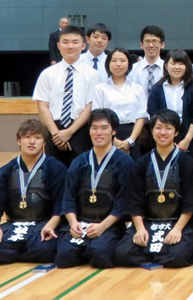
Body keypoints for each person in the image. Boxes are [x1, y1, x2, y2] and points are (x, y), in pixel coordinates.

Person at [0, 120, 67, 265]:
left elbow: (62, 204)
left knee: (48, 248)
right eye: (27, 137)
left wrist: (51, 225)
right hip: (16, 225)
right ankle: (23, 252)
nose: (32, 142)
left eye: (37, 138)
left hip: (44, 224)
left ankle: (15, 253)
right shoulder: (6, 171)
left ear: (44, 143)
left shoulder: (55, 168)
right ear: (18, 140)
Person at [114, 110, 193, 268]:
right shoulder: (141, 163)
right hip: (149, 222)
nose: (163, 132)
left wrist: (177, 230)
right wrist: (139, 229)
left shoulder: (187, 163)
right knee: (122, 254)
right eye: (158, 128)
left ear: (176, 132)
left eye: (168, 128)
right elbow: (134, 201)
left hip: (177, 222)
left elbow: (191, 201)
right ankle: (156, 253)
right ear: (152, 131)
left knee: (178, 257)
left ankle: (154, 253)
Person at [55, 108, 134, 268]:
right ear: (89, 131)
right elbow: (68, 197)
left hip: (109, 225)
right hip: (81, 224)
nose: (99, 133)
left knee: (100, 254)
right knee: (64, 258)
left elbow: (123, 203)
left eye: (104, 128)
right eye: (94, 128)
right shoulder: (79, 162)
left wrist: (102, 226)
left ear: (113, 131)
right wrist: (73, 223)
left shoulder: (124, 162)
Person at [33, 25, 100, 167]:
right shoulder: (47, 74)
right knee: (54, 175)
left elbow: (90, 106)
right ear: (58, 45)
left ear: (83, 46)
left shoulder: (92, 74)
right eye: (65, 42)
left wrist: (69, 131)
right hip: (54, 130)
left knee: (81, 173)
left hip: (80, 129)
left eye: (75, 42)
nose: (70, 46)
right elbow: (42, 106)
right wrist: (56, 133)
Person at [146, 49, 193, 163]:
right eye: (173, 63)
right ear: (166, 65)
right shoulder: (157, 89)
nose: (177, 67)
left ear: (186, 66)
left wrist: (186, 140)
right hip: (163, 134)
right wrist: (166, 136)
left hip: (187, 135)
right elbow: (153, 114)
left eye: (181, 64)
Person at [91, 48, 147, 158]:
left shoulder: (138, 89)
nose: (118, 64)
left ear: (129, 64)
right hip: (107, 134)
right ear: (108, 64)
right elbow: (96, 115)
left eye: (122, 60)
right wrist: (114, 141)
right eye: (114, 60)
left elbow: (141, 116)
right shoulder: (100, 89)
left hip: (132, 134)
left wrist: (130, 141)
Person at [130, 25, 166, 96]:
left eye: (155, 41)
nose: (151, 45)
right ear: (141, 45)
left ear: (162, 45)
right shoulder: (132, 70)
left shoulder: (168, 69)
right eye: (147, 41)